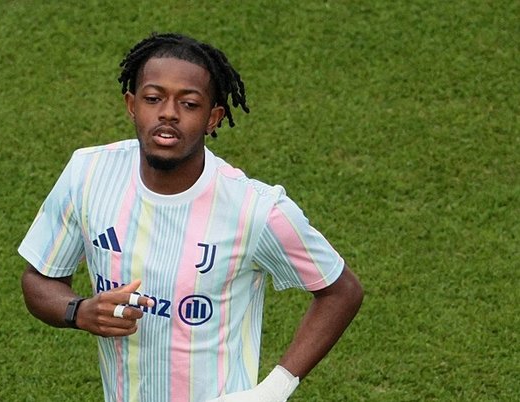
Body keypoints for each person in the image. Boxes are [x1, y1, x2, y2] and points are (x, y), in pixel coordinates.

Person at [19, 32, 363, 402]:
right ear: (131, 105)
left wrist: (272, 391)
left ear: (213, 118)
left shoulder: (255, 209)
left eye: (189, 103)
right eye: (154, 98)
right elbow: (39, 280)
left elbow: (341, 290)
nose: (168, 113)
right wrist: (80, 311)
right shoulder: (88, 175)